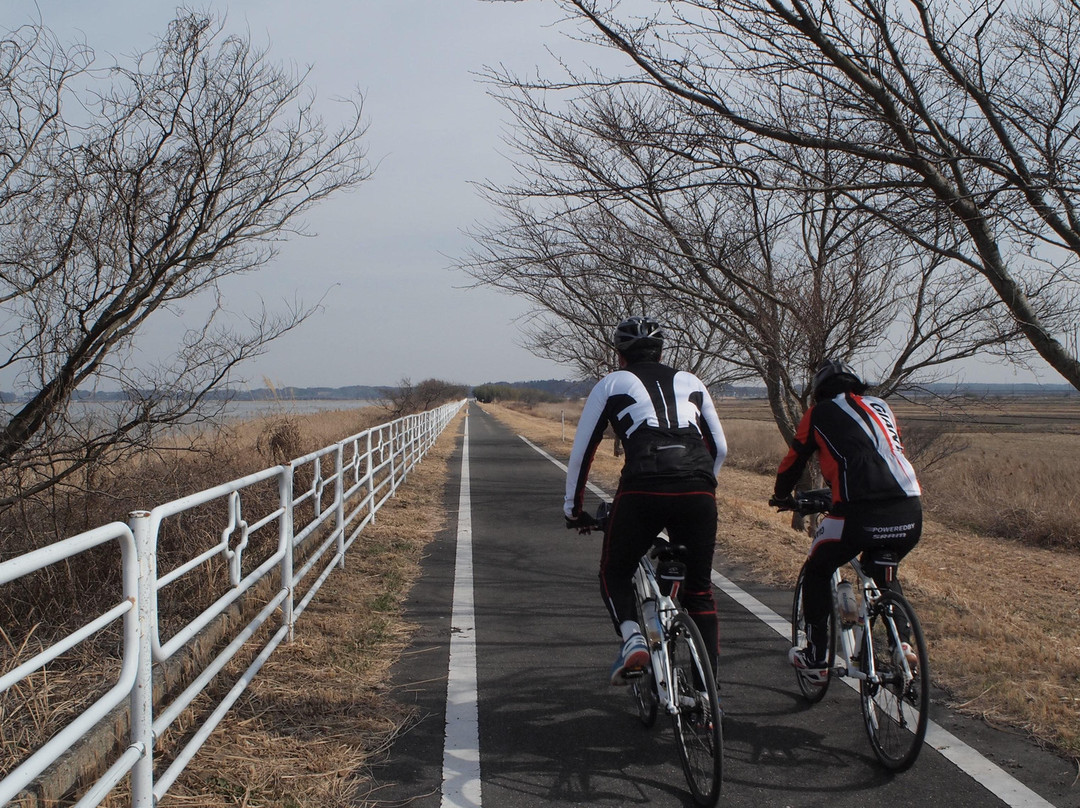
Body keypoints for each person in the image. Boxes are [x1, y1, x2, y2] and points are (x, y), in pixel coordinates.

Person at [564, 316, 728, 685]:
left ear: (619, 354)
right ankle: (707, 692)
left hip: (644, 485)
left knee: (614, 571)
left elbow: (582, 452)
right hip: (698, 486)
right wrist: (705, 486)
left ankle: (633, 637)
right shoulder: (691, 380)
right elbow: (719, 448)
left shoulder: (611, 383)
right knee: (699, 591)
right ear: (661, 352)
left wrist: (573, 510)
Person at [770, 359, 922, 687]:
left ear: (819, 392)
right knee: (883, 570)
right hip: (909, 509)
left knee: (818, 566)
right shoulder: (881, 407)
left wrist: (782, 496)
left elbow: (793, 461)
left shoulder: (818, 414)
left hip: (859, 513)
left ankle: (815, 656)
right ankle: (903, 646)